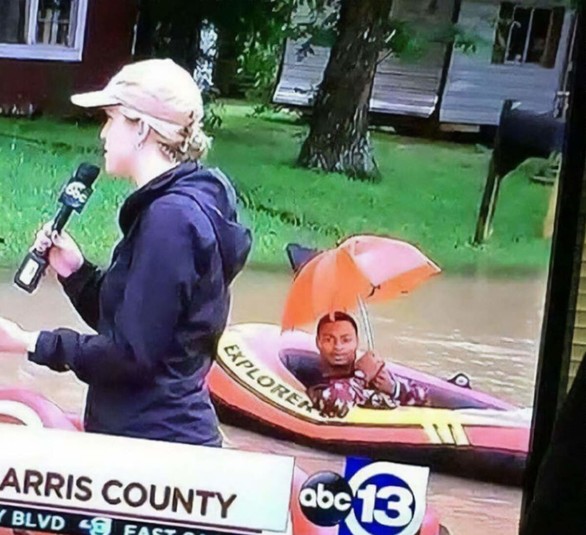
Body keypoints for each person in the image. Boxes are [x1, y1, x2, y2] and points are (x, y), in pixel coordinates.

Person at [0, 58, 252, 446]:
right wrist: (76, 273)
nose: (103, 133)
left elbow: (129, 356)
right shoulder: (175, 208)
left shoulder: (171, 220)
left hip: (157, 447)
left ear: (142, 129)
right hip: (150, 437)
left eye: (111, 119)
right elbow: (138, 325)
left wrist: (28, 341)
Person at [281, 311, 428, 417]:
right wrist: (361, 376)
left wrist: (393, 388)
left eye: (346, 340)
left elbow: (426, 397)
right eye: (329, 340)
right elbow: (335, 406)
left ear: (357, 342)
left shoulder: (373, 374)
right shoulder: (313, 379)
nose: (338, 347)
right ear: (318, 343)